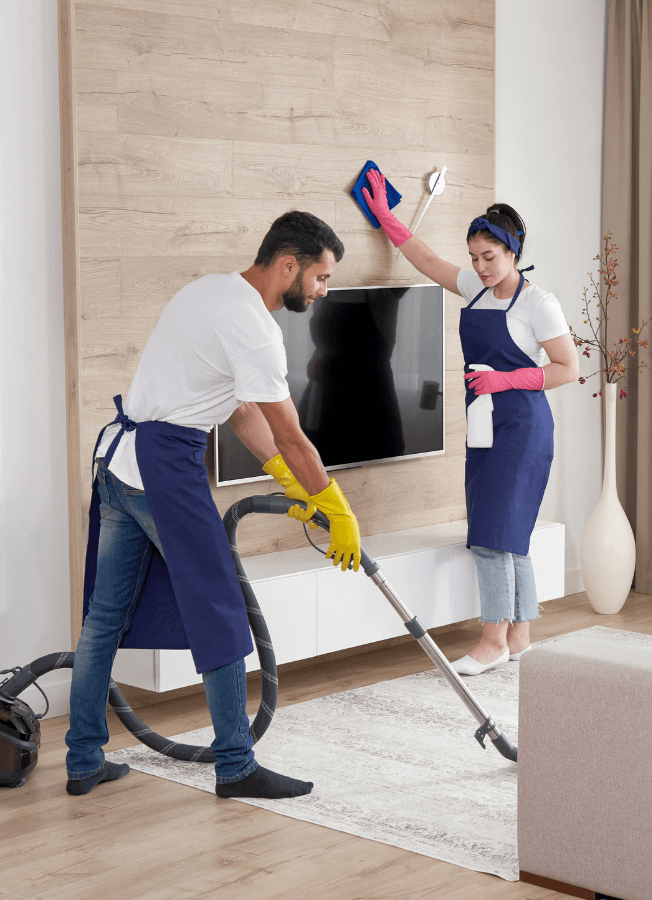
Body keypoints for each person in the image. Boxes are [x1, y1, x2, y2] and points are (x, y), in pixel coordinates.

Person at [65, 210, 361, 798]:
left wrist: (285, 478)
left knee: (104, 618)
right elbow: (291, 431)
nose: (323, 291)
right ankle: (235, 766)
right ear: (288, 265)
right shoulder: (255, 327)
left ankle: (82, 760)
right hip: (164, 469)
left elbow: (241, 409)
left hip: (119, 465)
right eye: (321, 277)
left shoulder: (209, 290)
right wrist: (336, 506)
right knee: (220, 607)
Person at [363, 170, 578, 675]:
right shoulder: (474, 289)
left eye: (491, 258)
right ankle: (520, 634)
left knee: (490, 535)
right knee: (510, 531)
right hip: (483, 425)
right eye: (476, 257)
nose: (480, 268)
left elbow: (568, 368)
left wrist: (507, 381)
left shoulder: (538, 303)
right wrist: (386, 217)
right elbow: (427, 260)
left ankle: (491, 639)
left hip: (524, 428)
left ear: (514, 253)